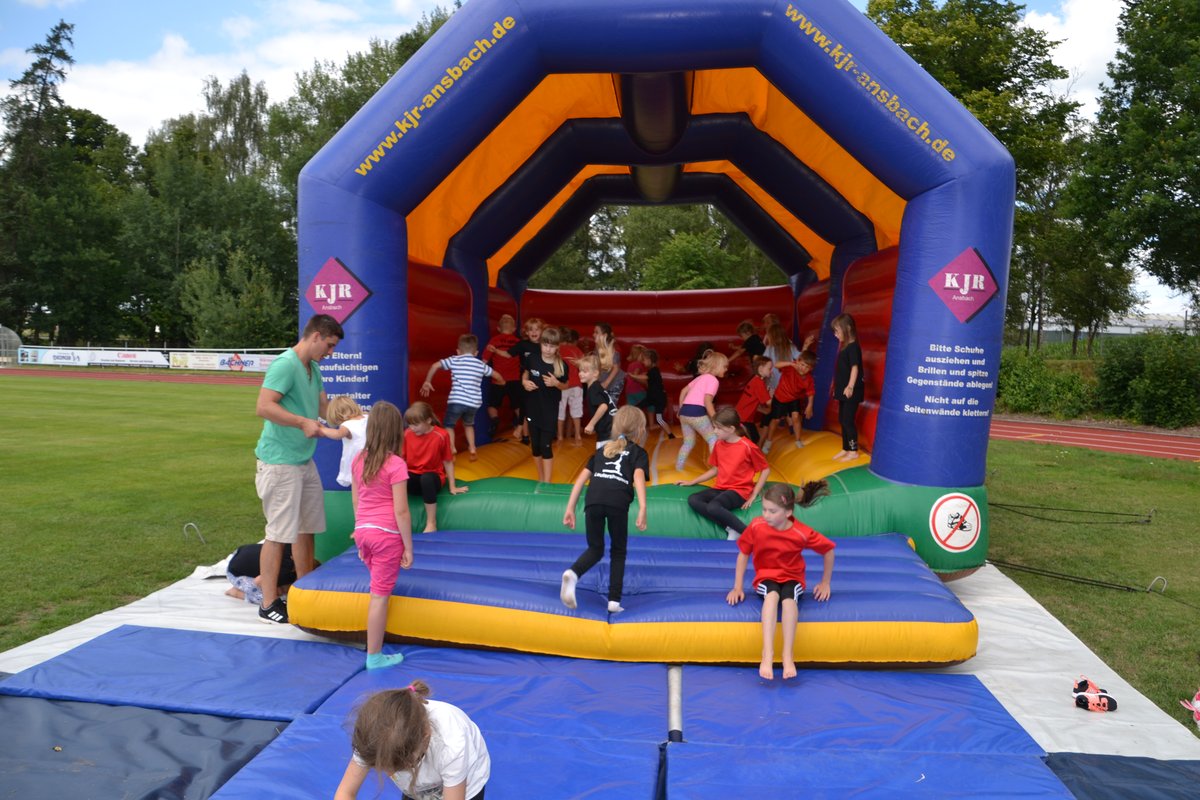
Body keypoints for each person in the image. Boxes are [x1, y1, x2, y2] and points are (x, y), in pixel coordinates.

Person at [253, 313, 343, 625]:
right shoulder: (285, 364)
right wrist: (302, 422)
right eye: (329, 345)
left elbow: (324, 408)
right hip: (280, 462)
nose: (330, 353)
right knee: (278, 533)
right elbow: (264, 406)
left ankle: (304, 593)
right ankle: (268, 603)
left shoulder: (313, 368)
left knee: (307, 528)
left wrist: (356, 420)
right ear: (316, 336)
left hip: (304, 461)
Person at [726, 480, 835, 680]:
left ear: (788, 513)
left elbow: (828, 550)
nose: (766, 515)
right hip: (766, 576)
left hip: (792, 577)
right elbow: (743, 554)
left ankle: (787, 655)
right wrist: (737, 587)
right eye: (764, 510)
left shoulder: (801, 532)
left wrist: (825, 582)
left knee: (789, 600)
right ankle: (767, 654)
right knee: (772, 596)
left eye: (772, 511)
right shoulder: (757, 526)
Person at [335, 681, 490, 800]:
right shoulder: (372, 739)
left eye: (402, 767)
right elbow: (345, 792)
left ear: (426, 737)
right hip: (419, 787)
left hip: (467, 786)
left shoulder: (451, 745)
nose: (391, 773)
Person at [561, 406, 649, 614]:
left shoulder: (602, 450)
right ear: (640, 429)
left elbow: (581, 480)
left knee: (595, 549)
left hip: (593, 500)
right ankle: (613, 601)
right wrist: (643, 507)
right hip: (617, 502)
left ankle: (573, 573)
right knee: (618, 550)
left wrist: (570, 508)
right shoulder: (638, 453)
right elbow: (638, 477)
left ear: (616, 426)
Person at [350, 401, 413, 670]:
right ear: (396, 431)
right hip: (386, 535)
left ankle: (374, 648)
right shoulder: (395, 464)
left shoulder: (358, 460)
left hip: (364, 531)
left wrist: (359, 533)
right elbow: (401, 511)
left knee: (378, 589)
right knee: (379, 597)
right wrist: (408, 547)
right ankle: (374, 656)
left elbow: (356, 501)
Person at [678, 406, 770, 540]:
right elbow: (715, 469)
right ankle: (730, 528)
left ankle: (750, 534)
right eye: (714, 427)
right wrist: (692, 481)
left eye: (718, 428)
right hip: (721, 488)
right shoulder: (718, 444)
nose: (714, 431)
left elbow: (765, 469)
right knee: (693, 499)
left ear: (731, 429)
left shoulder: (748, 446)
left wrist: (754, 494)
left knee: (714, 507)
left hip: (739, 491)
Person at [421, 334, 505, 461]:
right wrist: (502, 382)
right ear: (476, 353)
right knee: (468, 425)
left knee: (449, 425)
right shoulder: (480, 364)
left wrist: (427, 381)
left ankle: (452, 447)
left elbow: (435, 366)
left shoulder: (454, 360)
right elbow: (497, 375)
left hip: (457, 401)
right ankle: (472, 447)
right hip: (473, 404)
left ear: (458, 351)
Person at [403, 402, 467, 533]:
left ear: (428, 420)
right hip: (413, 478)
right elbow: (402, 460)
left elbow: (447, 461)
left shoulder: (441, 435)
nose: (412, 428)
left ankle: (431, 522)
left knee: (426, 478)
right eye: (410, 424)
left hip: (432, 478)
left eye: (416, 424)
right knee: (401, 476)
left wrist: (452, 486)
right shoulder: (407, 434)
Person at [521, 325, 568, 482]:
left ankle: (547, 482)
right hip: (533, 408)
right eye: (545, 345)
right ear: (541, 344)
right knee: (535, 446)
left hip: (549, 410)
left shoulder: (561, 365)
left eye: (552, 346)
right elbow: (525, 373)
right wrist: (524, 382)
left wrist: (556, 383)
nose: (548, 349)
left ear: (557, 347)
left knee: (545, 445)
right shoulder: (532, 359)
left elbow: (566, 385)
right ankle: (541, 478)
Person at [674, 350, 728, 471]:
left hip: (684, 413)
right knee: (713, 439)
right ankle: (717, 469)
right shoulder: (713, 380)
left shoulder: (699, 378)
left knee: (688, 442)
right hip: (696, 413)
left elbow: (683, 391)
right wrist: (715, 420)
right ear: (716, 366)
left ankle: (679, 467)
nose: (726, 369)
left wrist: (681, 408)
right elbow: (707, 401)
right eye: (724, 367)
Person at [762, 350, 817, 453]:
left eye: (807, 367)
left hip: (793, 399)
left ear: (811, 369)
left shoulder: (808, 379)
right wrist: (791, 364)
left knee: (796, 417)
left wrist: (810, 405)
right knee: (776, 420)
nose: (803, 368)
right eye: (802, 365)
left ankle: (798, 440)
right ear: (798, 361)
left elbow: (810, 392)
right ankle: (768, 441)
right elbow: (776, 364)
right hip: (780, 397)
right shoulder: (790, 368)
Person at [507, 317, 546, 445]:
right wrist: (495, 351)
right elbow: (508, 354)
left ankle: (540, 434)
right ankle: (524, 433)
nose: (534, 332)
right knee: (525, 404)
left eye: (537, 329)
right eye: (531, 330)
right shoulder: (523, 344)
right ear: (527, 332)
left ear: (542, 331)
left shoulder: (545, 345)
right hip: (526, 378)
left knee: (538, 408)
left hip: (541, 380)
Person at [831, 313, 864, 461]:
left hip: (852, 391)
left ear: (848, 328)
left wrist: (850, 387)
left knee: (848, 420)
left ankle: (853, 450)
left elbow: (854, 368)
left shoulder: (853, 347)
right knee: (842, 419)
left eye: (837, 331)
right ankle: (845, 448)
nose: (835, 334)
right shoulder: (845, 347)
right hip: (843, 390)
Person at [484, 314, 522, 437]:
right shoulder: (517, 342)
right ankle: (522, 424)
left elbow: (485, 360)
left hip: (499, 379)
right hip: (512, 379)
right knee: (517, 405)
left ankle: (495, 419)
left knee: (493, 405)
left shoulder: (495, 340)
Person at [224, 542, 297, 605]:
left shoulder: (289, 546)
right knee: (272, 598)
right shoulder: (284, 568)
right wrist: (281, 590)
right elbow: (259, 581)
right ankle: (236, 592)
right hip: (235, 573)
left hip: (241, 552)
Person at [321, 396, 368, 488]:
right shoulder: (367, 417)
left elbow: (338, 434)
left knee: (358, 488)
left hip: (358, 462)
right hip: (374, 458)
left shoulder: (347, 424)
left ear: (336, 414)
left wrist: (322, 429)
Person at [578, 354, 617, 448]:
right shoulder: (597, 386)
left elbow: (603, 406)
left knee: (603, 455)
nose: (580, 373)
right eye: (580, 370)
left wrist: (591, 424)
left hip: (608, 433)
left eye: (584, 371)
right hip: (613, 429)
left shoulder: (593, 389)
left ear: (595, 373)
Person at [735, 355, 773, 446]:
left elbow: (754, 401)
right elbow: (769, 402)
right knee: (752, 440)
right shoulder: (758, 383)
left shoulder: (755, 380)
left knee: (754, 438)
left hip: (742, 416)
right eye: (769, 368)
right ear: (761, 369)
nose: (771, 371)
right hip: (743, 418)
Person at [557, 327, 585, 447]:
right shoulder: (576, 349)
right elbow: (584, 364)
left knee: (560, 410)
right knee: (576, 411)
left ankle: (560, 436)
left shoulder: (557, 350)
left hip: (562, 385)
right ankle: (578, 435)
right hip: (576, 384)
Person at [636, 348, 672, 436]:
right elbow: (646, 377)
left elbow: (645, 377)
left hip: (659, 399)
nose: (643, 362)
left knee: (659, 419)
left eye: (644, 360)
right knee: (636, 408)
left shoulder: (654, 370)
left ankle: (670, 435)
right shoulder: (651, 371)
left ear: (650, 360)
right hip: (651, 398)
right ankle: (635, 428)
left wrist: (633, 376)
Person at [762, 323, 799, 395]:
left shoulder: (769, 348)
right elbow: (800, 358)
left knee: (774, 399)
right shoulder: (790, 347)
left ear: (772, 337)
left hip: (774, 382)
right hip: (788, 382)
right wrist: (805, 346)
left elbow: (763, 362)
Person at [594, 322, 625, 399]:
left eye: (596, 332)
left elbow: (616, 368)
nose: (593, 334)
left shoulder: (612, 348)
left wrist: (606, 383)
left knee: (610, 404)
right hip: (603, 380)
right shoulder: (597, 348)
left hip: (614, 382)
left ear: (604, 335)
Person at [624, 344, 648, 408]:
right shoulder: (638, 364)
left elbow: (628, 376)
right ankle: (653, 414)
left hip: (629, 390)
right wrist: (643, 374)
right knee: (651, 404)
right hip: (637, 390)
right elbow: (635, 375)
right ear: (641, 355)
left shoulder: (630, 364)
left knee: (631, 408)